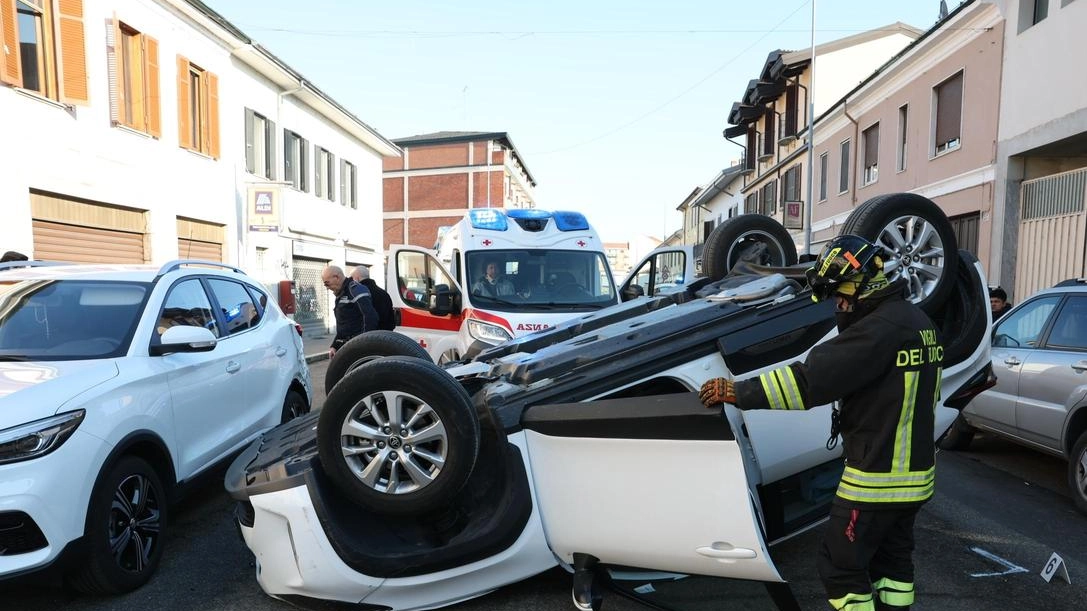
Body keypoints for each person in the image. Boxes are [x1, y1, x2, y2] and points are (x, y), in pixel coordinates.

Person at [699, 235, 943, 611]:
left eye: (840, 295)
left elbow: (809, 381)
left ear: (861, 285)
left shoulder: (878, 330)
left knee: (840, 567)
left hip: (875, 480)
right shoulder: (919, 322)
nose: (839, 305)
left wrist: (737, 391)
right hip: (915, 479)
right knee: (892, 566)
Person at [321, 265, 380, 358]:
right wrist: (334, 345)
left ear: (336, 277)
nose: (327, 287)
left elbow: (371, 318)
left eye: (327, 283)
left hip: (357, 348)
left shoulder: (356, 290)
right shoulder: (341, 294)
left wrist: (361, 344)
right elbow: (344, 325)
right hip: (347, 347)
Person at [351, 266, 396, 331]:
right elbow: (391, 321)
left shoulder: (358, 294)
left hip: (366, 337)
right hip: (385, 336)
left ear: (357, 278)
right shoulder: (384, 293)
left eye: (352, 279)